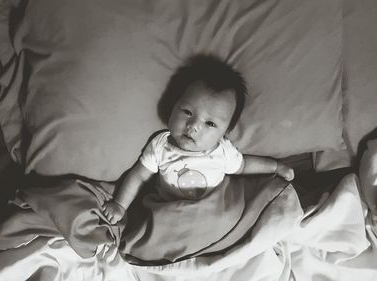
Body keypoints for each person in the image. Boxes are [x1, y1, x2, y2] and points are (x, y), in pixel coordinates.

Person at [102, 54, 295, 225]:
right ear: (173, 106)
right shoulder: (162, 146)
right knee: (152, 223)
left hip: (210, 212)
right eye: (187, 112)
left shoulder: (223, 152)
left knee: (232, 216)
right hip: (171, 211)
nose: (193, 126)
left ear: (225, 132)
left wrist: (276, 167)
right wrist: (120, 205)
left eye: (210, 124)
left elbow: (244, 165)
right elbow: (139, 176)